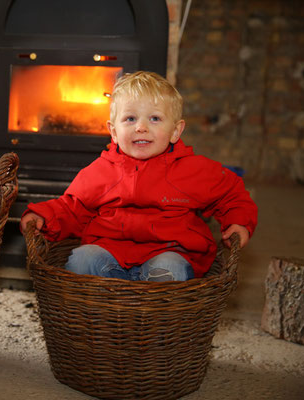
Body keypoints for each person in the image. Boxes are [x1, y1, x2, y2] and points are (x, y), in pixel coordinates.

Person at [20, 71, 257, 281]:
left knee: (169, 268)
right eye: (130, 119)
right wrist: (44, 215)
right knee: (81, 259)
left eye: (154, 119)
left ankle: (153, 317)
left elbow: (231, 193)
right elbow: (72, 207)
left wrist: (238, 222)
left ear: (175, 131)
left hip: (170, 252)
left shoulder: (193, 169)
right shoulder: (100, 171)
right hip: (109, 253)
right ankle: (107, 314)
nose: (141, 127)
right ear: (113, 131)